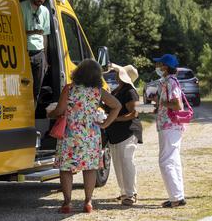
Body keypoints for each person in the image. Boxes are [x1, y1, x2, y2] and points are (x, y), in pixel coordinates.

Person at [48, 59, 121, 214]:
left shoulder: (69, 89)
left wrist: (50, 113)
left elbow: (60, 111)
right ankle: (88, 202)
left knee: (66, 169)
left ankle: (67, 202)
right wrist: (105, 124)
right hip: (91, 135)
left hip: (70, 134)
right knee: (90, 169)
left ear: (78, 72)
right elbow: (117, 106)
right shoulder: (98, 91)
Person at [151, 54, 187, 208]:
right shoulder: (170, 81)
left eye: (159, 64)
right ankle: (178, 195)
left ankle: (176, 198)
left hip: (169, 126)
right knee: (173, 160)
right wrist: (159, 103)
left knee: (166, 161)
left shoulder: (170, 82)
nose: (157, 67)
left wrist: (161, 102)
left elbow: (177, 105)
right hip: (172, 126)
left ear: (165, 67)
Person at [105, 64, 143, 206]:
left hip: (127, 131)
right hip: (116, 132)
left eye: (118, 73)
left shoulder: (130, 91)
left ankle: (130, 193)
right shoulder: (118, 90)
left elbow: (134, 113)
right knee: (118, 162)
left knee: (126, 162)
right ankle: (124, 192)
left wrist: (114, 119)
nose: (116, 75)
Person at [20, 0, 50, 104]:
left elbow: (45, 36)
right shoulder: (21, 6)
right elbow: (16, 31)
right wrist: (33, 32)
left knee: (36, 90)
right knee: (22, 87)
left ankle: (31, 115)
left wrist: (45, 57)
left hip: (39, 54)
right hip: (23, 52)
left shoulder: (45, 11)